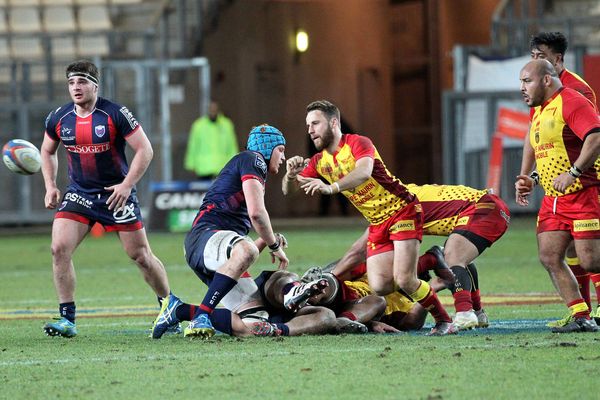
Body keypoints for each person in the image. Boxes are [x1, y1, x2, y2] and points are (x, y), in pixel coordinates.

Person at [283, 100, 456, 335]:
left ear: (333, 123)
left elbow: (363, 172)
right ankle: (430, 261)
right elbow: (288, 192)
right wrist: (290, 176)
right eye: (308, 125)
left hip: (401, 210)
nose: (310, 130)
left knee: (404, 280)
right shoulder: (319, 161)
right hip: (377, 223)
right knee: (380, 285)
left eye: (315, 123)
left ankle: (444, 321)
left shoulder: (357, 143)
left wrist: (331, 188)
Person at [40, 60, 172, 338]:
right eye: (72, 82)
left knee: (141, 256)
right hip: (80, 194)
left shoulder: (115, 114)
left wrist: (126, 185)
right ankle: (67, 319)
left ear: (95, 86)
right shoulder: (59, 118)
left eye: (82, 82)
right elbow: (47, 151)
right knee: (58, 248)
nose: (76, 87)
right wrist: (50, 185)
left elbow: (145, 150)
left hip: (116, 195)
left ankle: (168, 307)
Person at [154, 124, 289, 339]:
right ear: (267, 147)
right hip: (206, 235)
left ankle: (178, 310)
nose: (283, 157)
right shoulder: (253, 159)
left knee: (254, 326)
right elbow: (257, 214)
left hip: (215, 248)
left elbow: (236, 253)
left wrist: (265, 242)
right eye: (281, 150)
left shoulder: (250, 165)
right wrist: (273, 244)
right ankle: (202, 316)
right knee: (246, 250)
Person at [327, 182, 510, 330]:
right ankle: (477, 311)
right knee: (457, 257)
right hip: (487, 206)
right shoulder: (401, 196)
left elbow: (358, 252)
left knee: (453, 257)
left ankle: (464, 313)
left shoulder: (393, 207)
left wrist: (331, 276)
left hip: (483, 207)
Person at [515, 59, 600, 333]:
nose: (522, 88)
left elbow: (596, 137)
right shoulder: (540, 111)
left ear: (547, 80)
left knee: (590, 260)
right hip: (554, 199)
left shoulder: (572, 101)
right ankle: (580, 315)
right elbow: (553, 156)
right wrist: (532, 179)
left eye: (527, 81)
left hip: (584, 194)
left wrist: (574, 173)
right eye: (521, 82)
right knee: (549, 256)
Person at [152, 268, 339, 338]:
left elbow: (343, 316)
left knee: (328, 317)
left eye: (322, 295)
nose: (319, 295)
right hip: (264, 293)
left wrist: (350, 321)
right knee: (285, 277)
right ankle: (294, 290)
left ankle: (180, 311)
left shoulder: (342, 303)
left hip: (285, 316)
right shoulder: (352, 276)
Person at [184, 100, 238, 180]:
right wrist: (190, 164)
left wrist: (235, 163)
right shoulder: (199, 125)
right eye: (211, 109)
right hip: (204, 168)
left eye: (215, 109)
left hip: (222, 167)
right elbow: (193, 145)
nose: (213, 111)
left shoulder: (226, 124)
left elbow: (231, 145)